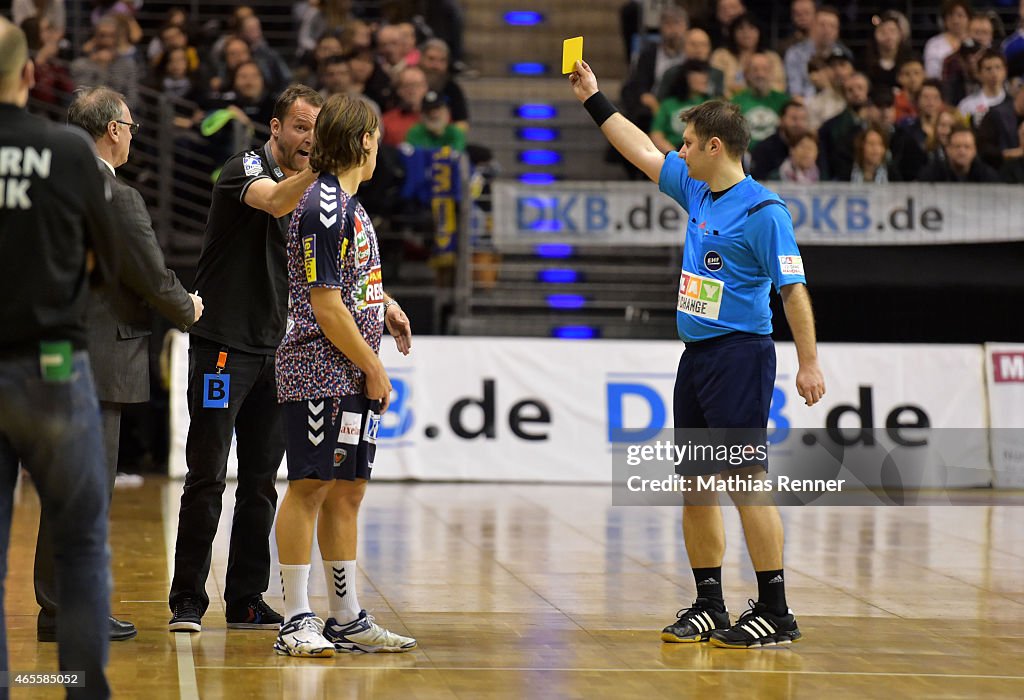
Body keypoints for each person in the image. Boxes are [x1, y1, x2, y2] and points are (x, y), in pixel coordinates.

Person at [568, 60, 825, 648]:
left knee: (745, 480)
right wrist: (594, 98)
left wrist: (809, 362)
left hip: (741, 355)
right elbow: (639, 149)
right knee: (697, 484)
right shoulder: (696, 185)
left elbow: (793, 289)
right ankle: (711, 601)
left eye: (686, 143)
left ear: (715, 146)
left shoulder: (765, 213)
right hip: (698, 357)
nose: (677, 153)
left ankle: (776, 608)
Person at [31, 86, 203, 646]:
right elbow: (151, 276)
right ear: (111, 130)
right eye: (129, 125)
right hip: (97, 361)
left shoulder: (45, 185)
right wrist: (190, 308)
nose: (133, 134)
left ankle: (59, 609)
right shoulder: (117, 196)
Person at [168, 85, 325, 633]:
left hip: (276, 351)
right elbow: (276, 200)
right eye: (301, 126)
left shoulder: (313, 190)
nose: (309, 138)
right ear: (276, 127)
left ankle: (246, 598)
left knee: (261, 481)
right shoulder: (244, 167)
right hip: (222, 348)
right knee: (207, 473)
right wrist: (322, 169)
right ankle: (187, 598)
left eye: (317, 129)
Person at [272, 92, 416, 657]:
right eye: (377, 136)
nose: (380, 147)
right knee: (309, 486)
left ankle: (346, 617)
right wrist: (375, 365)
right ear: (363, 141)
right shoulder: (322, 206)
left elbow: (352, 287)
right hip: (318, 370)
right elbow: (325, 304)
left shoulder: (350, 206)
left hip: (348, 373)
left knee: (349, 492)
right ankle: (295, 618)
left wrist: (385, 305)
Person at [0, 17, 117, 698]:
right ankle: (78, 687)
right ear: (26, 76)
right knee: (78, 546)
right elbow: (116, 260)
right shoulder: (69, 152)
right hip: (51, 363)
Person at [918, 123, 1000, 182]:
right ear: (948, 149)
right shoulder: (931, 175)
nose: (962, 152)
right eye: (957, 146)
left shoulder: (988, 177)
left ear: (974, 151)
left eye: (967, 147)